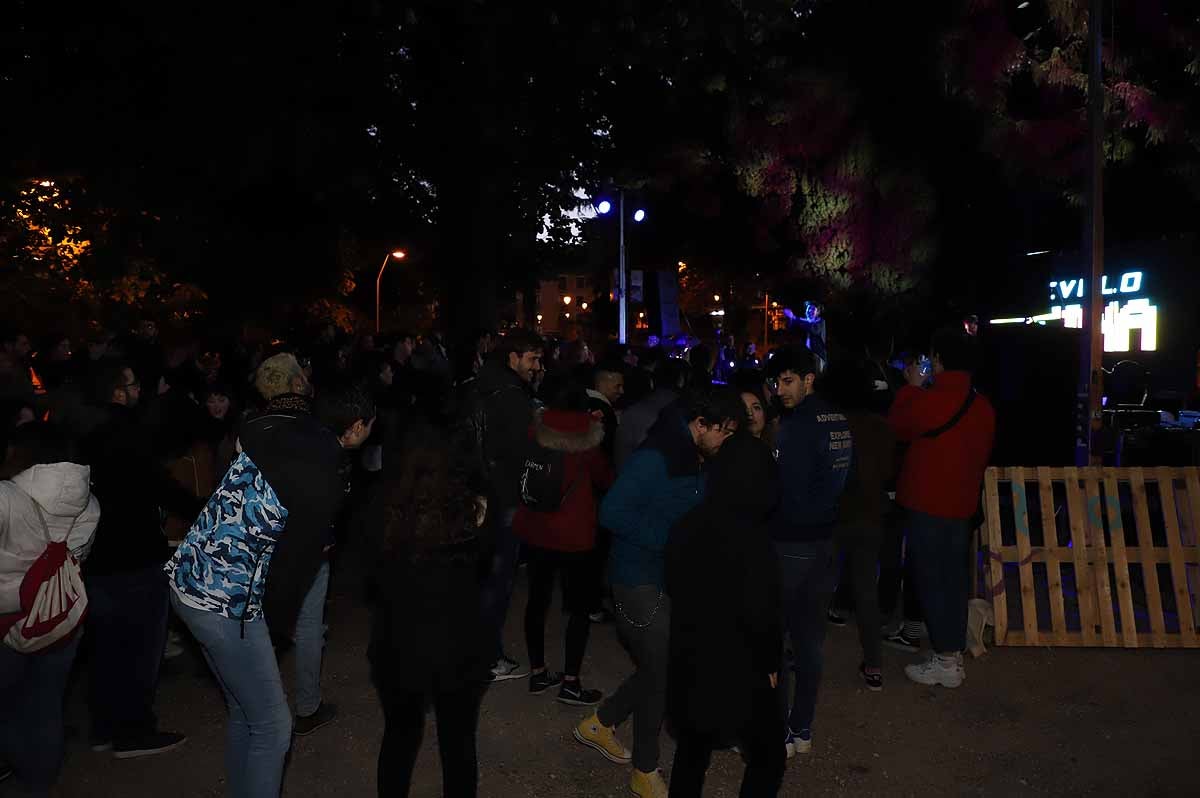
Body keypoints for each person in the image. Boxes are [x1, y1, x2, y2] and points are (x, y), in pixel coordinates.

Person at [165, 353, 349, 797]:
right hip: (224, 599)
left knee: (246, 713)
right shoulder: (315, 453)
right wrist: (274, 627)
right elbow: (297, 563)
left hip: (188, 580)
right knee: (273, 726)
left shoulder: (255, 431)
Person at [574, 385, 744, 798]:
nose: (727, 440)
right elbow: (612, 512)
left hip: (663, 577)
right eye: (723, 431)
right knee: (662, 672)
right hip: (636, 581)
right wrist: (672, 540)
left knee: (658, 667)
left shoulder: (691, 452)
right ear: (700, 424)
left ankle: (601, 722)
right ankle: (644, 770)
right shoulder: (657, 456)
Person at [364, 422, 492, 798]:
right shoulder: (475, 511)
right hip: (458, 648)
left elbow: (370, 578)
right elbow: (486, 563)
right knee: (458, 742)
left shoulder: (380, 512)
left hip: (397, 646)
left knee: (400, 737)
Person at [81, 362, 201, 759]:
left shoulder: (80, 431)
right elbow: (159, 485)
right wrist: (204, 508)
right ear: (118, 391)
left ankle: (103, 727)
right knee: (140, 647)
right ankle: (134, 731)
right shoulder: (128, 433)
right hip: (134, 555)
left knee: (105, 646)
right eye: (132, 384)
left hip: (94, 558)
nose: (138, 391)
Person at [665, 433, 785, 798]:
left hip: (692, 659)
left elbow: (673, 582)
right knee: (768, 757)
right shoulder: (753, 539)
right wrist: (770, 662)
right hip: (740, 668)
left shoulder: (688, 523)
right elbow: (760, 610)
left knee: (691, 752)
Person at [890, 328, 995, 689]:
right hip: (962, 506)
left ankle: (946, 659)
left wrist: (911, 387)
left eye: (933, 358)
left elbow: (899, 425)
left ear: (939, 360)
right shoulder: (982, 405)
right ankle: (952, 655)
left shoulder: (931, 399)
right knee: (954, 580)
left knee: (931, 580)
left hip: (927, 505)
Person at [0, 423, 99, 796]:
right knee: (45, 706)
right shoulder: (89, 503)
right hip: (58, 619)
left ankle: (19, 767)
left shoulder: (6, 496)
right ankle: (37, 784)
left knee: (6, 707)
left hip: (5, 624)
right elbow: (77, 556)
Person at [767, 346, 852, 756]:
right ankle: (802, 729)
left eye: (787, 381)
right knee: (810, 642)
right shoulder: (837, 418)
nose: (779, 389)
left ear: (808, 379)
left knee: (777, 640)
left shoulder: (797, 425)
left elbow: (781, 489)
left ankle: (783, 730)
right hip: (826, 541)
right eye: (776, 382)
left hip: (792, 543)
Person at [513, 392, 614, 706]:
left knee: (537, 601)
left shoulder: (534, 430)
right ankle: (570, 682)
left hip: (537, 528)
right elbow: (605, 478)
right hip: (576, 535)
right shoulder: (587, 437)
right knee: (579, 608)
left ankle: (539, 672)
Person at [289, 383, 377, 737]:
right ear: (355, 427)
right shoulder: (333, 461)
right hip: (307, 552)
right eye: (369, 426)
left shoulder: (303, 439)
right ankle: (307, 707)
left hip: (276, 549)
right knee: (309, 626)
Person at [473, 329, 544, 681]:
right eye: (532, 359)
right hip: (503, 498)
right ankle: (488, 658)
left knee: (483, 577)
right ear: (513, 357)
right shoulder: (512, 397)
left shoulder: (479, 384)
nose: (537, 366)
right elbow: (522, 453)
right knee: (497, 581)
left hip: (479, 494)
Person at [823, 360, 897, 690]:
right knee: (866, 590)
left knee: (818, 587)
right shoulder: (881, 426)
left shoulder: (831, 425)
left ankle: (802, 654)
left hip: (834, 516)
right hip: (870, 515)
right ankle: (874, 665)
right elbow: (888, 471)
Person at [614, 359, 690, 470]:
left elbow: (620, 459)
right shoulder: (687, 412)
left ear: (652, 381)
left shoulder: (632, 412)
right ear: (682, 381)